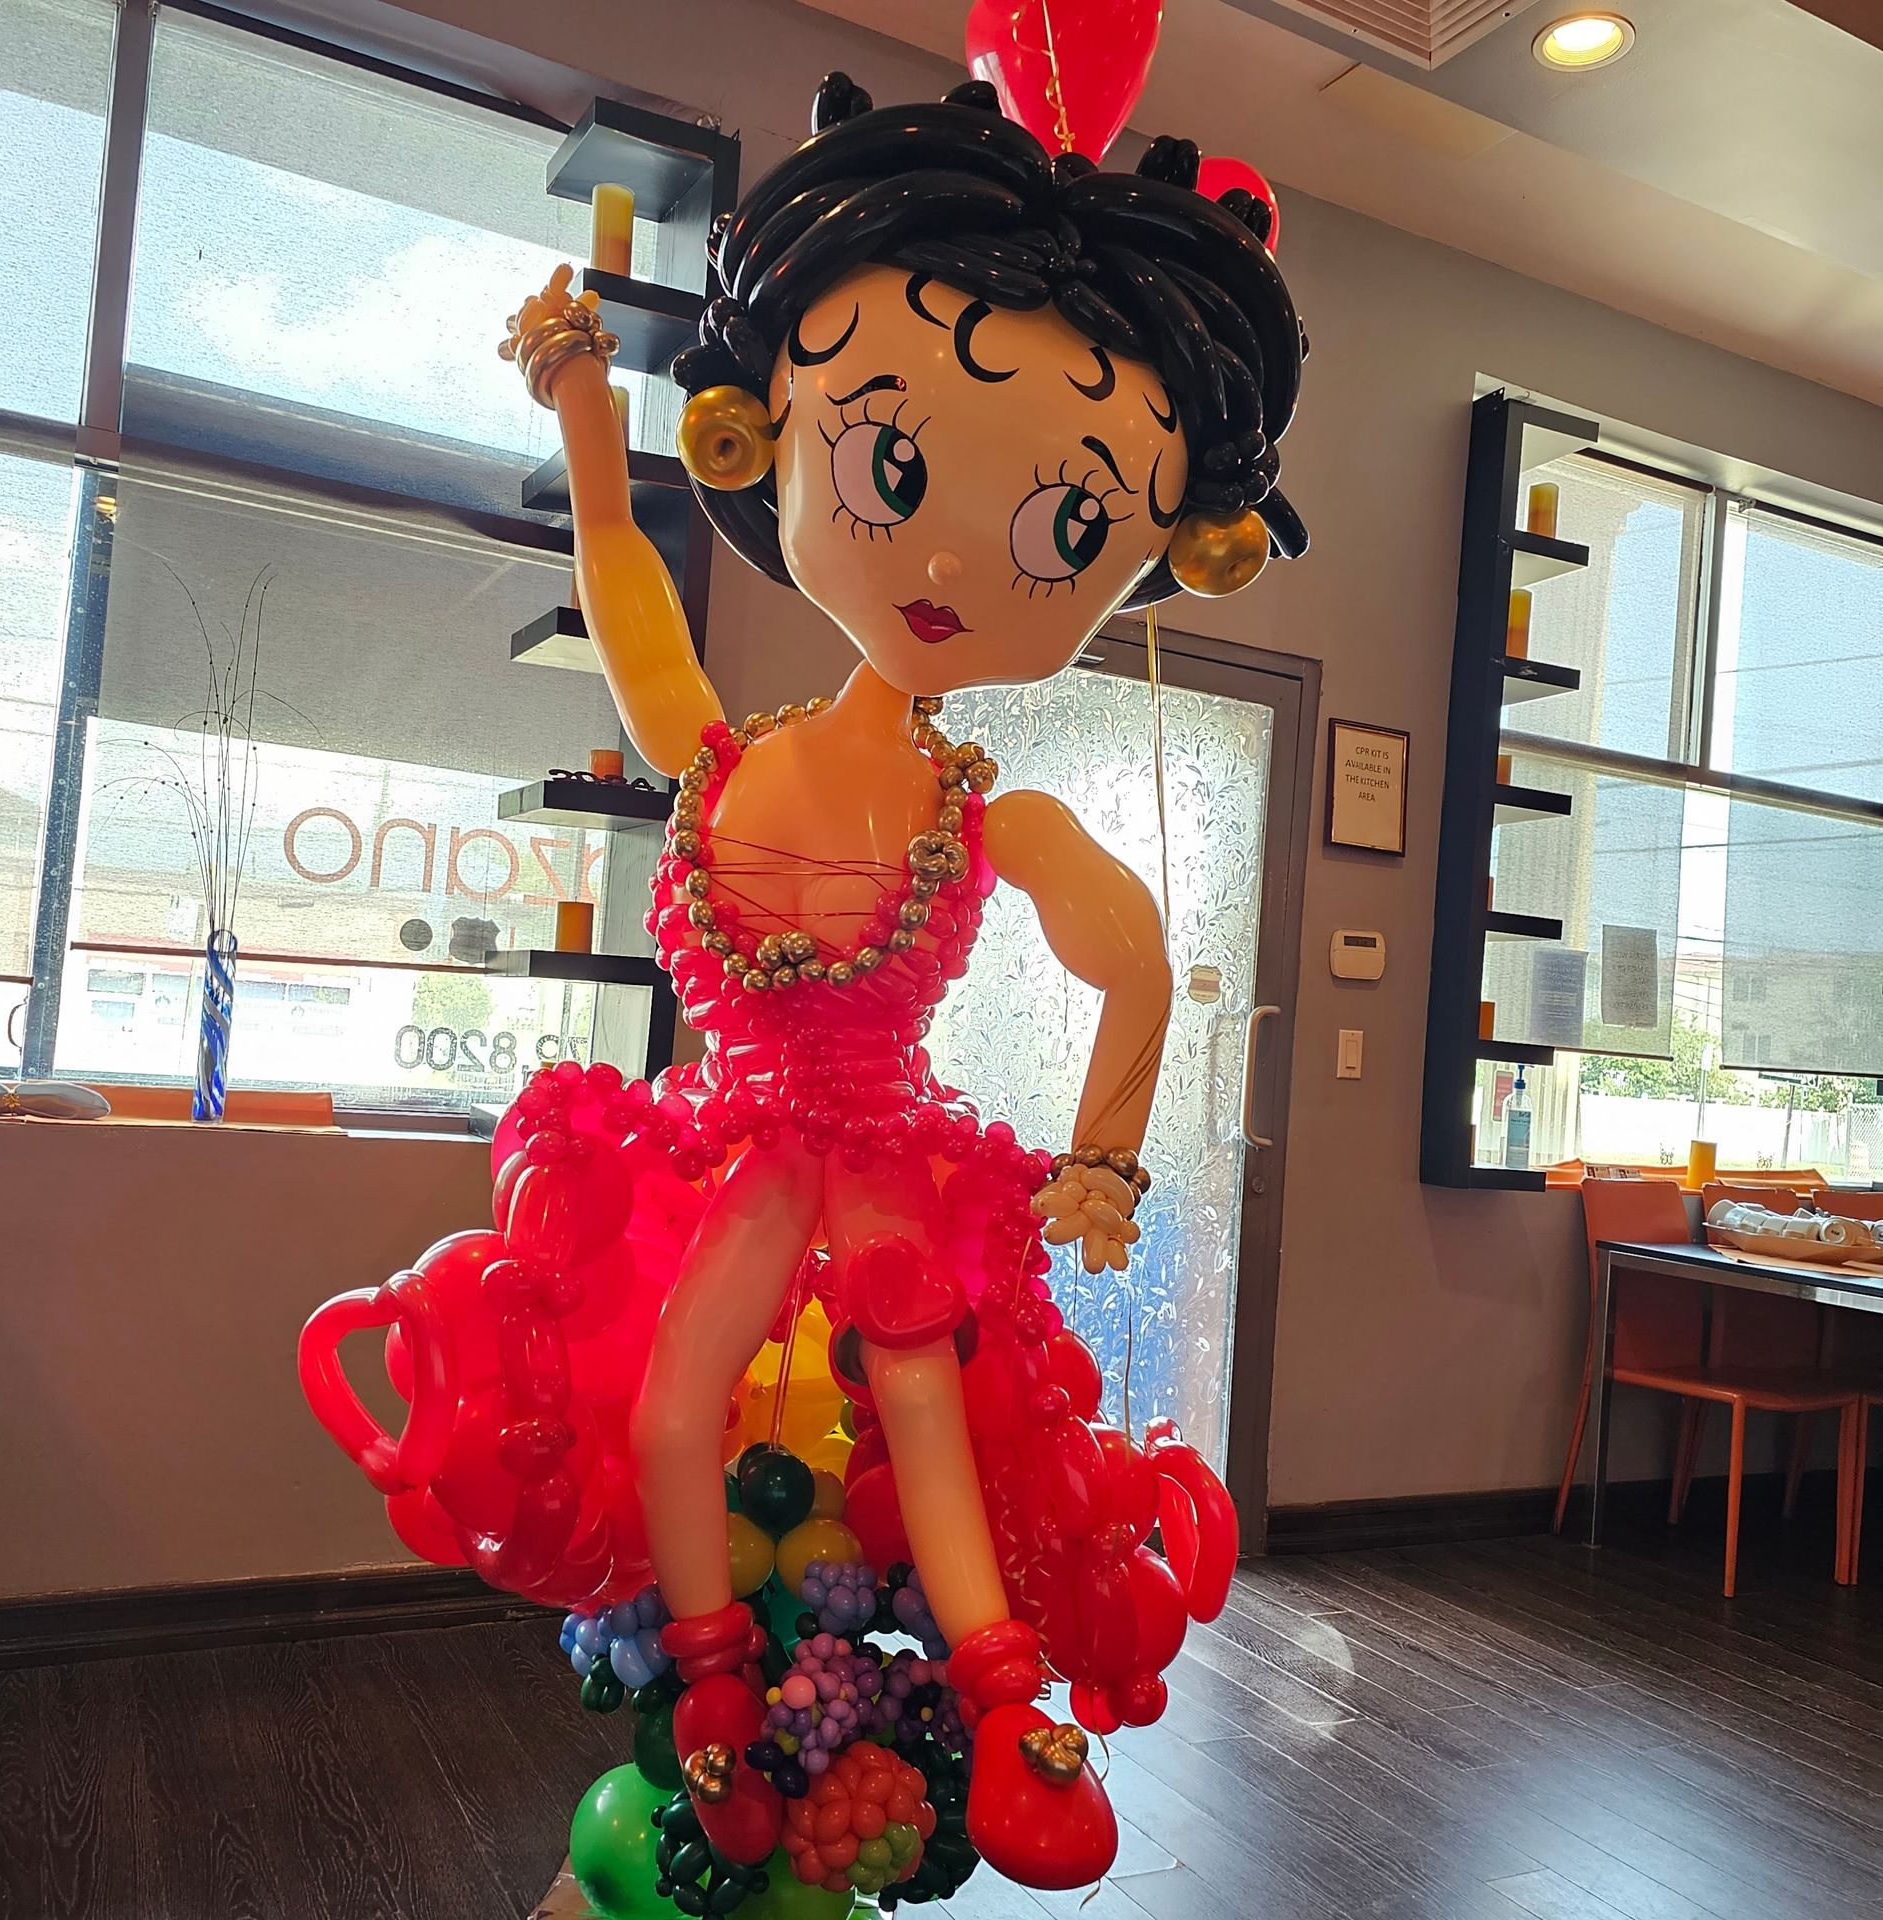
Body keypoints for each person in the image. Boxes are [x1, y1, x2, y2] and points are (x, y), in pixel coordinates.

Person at [510, 70, 1304, 1888]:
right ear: (775, 426)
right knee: (664, 1411)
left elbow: (1140, 966)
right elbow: (626, 568)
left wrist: (1106, 1156)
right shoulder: (712, 754)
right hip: (728, 1154)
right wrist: (579, 411)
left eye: (1060, 532)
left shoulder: (987, 807)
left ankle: (1012, 1704)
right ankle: (715, 1702)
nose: (950, 559)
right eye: (894, 463)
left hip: (878, 1155)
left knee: (924, 1397)